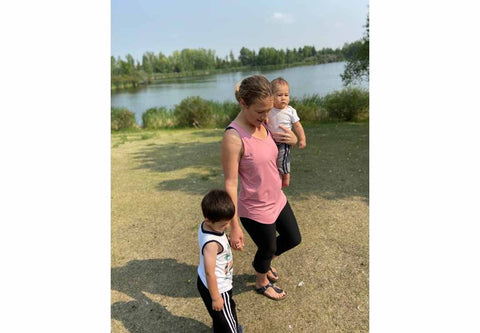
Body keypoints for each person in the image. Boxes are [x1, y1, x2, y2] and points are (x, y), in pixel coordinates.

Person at [223, 75, 302, 301]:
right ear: (243, 104)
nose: (266, 117)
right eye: (260, 112)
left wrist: (294, 141)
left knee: (293, 238)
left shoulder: (264, 122)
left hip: (277, 198)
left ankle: (264, 263)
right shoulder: (233, 137)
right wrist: (234, 226)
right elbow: (230, 183)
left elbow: (277, 150)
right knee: (266, 247)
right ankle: (261, 281)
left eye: (268, 111)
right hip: (255, 208)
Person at [197, 189, 242, 333]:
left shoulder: (208, 227)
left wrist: (229, 241)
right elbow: (210, 273)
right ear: (208, 220)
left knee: (220, 318)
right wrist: (216, 298)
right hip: (218, 288)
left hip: (206, 283)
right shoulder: (211, 244)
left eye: (228, 222)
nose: (227, 226)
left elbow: (219, 243)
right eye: (223, 225)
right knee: (229, 322)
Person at [267, 77, 307, 187]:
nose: (283, 98)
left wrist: (302, 139)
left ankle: (285, 178)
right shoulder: (269, 109)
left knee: (282, 160)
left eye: (286, 95)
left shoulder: (290, 111)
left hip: (284, 142)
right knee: (271, 163)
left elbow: (298, 126)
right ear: (271, 96)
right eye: (279, 95)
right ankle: (275, 180)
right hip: (270, 141)